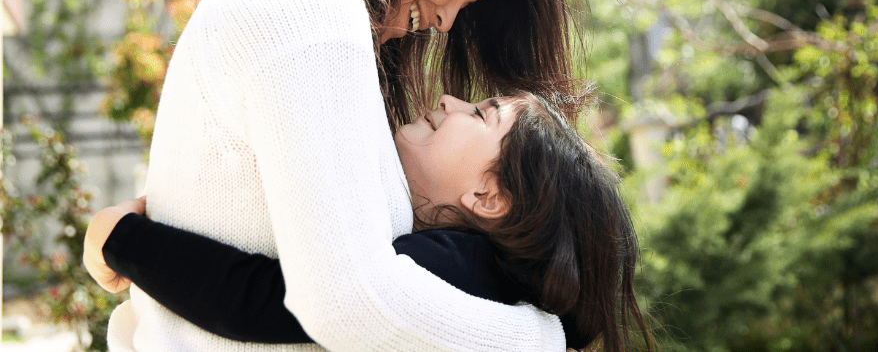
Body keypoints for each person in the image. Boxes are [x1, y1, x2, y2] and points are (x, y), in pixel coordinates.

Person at [93, 0, 586, 352]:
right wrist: (542, 340)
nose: (445, 22)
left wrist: (122, 240)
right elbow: (349, 304)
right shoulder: (312, 6)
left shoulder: (305, 7)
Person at [85, 93, 657, 352]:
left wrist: (125, 241)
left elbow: (266, 299)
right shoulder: (473, 278)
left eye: (483, 114)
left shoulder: (453, 267)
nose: (452, 101)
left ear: (488, 196)